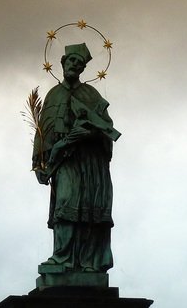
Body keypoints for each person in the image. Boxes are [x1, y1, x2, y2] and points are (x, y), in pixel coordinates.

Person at [33, 43, 121, 273]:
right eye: (71, 61)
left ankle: (87, 261)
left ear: (83, 69)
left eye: (79, 63)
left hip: (88, 160)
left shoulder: (90, 94)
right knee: (66, 202)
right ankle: (62, 258)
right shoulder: (54, 94)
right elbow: (43, 130)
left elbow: (106, 126)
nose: (75, 65)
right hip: (62, 159)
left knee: (87, 208)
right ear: (62, 62)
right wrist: (39, 163)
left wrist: (87, 132)